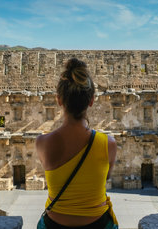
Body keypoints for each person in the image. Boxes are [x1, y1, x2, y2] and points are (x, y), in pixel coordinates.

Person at [36, 58, 118, 229]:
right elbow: (104, 179)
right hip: (98, 224)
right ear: (91, 100)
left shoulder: (42, 143)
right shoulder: (108, 144)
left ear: (59, 100)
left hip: (54, 225)